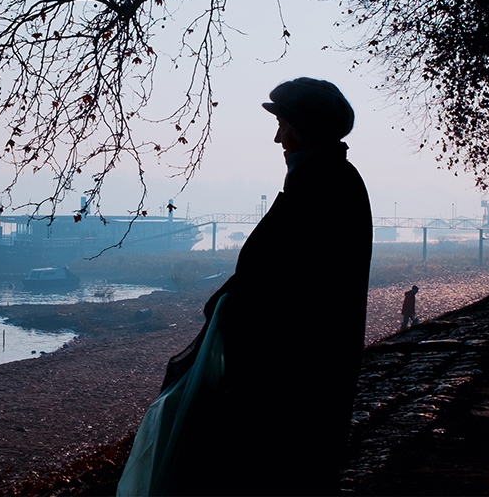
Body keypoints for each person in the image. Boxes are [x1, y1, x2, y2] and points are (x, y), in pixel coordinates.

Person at [118, 78, 373, 496]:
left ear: (306, 128)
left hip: (293, 383)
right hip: (300, 376)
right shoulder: (330, 180)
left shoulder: (320, 186)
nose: (277, 137)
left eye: (284, 124)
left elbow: (287, 286)